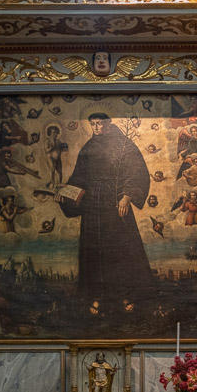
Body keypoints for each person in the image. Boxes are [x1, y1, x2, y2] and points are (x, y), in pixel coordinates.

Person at [58, 112, 152, 314]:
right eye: (93, 124)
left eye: (100, 124)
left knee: (119, 250)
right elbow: (78, 177)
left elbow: (138, 172)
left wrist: (127, 196)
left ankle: (125, 294)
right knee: (93, 250)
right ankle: (96, 296)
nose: (96, 128)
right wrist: (65, 193)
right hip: (92, 204)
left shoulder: (124, 144)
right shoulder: (88, 147)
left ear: (109, 124)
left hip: (115, 203)